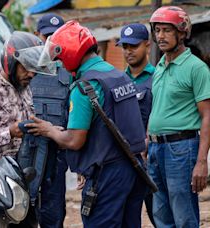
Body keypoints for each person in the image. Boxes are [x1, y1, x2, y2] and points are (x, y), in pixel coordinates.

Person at [26, 21, 147, 227]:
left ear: (71, 53)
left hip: (107, 175)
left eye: (61, 58)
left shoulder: (85, 87)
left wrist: (49, 130)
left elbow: (74, 140)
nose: (61, 64)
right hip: (134, 169)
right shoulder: (118, 76)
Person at [0, 31, 55, 227]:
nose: (32, 74)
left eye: (34, 68)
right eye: (26, 68)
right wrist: (9, 132)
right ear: (10, 62)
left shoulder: (25, 88)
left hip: (22, 178)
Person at [147, 6, 210, 227]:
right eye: (157, 30)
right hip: (156, 148)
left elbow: (207, 116)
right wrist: (149, 140)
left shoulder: (196, 68)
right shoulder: (160, 67)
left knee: (184, 217)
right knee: (161, 216)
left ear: (182, 33)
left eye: (167, 30)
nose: (160, 36)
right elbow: (159, 109)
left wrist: (202, 161)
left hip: (182, 149)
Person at [31, 13, 70, 228]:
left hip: (57, 154)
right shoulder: (24, 68)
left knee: (53, 212)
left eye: (56, 37)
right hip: (27, 152)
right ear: (37, 36)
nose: (51, 42)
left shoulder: (71, 71)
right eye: (47, 36)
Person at [117, 23, 156, 226]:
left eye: (134, 46)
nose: (128, 51)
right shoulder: (117, 81)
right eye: (125, 46)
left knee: (159, 215)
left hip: (151, 159)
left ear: (147, 46)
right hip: (123, 162)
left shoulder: (158, 78)